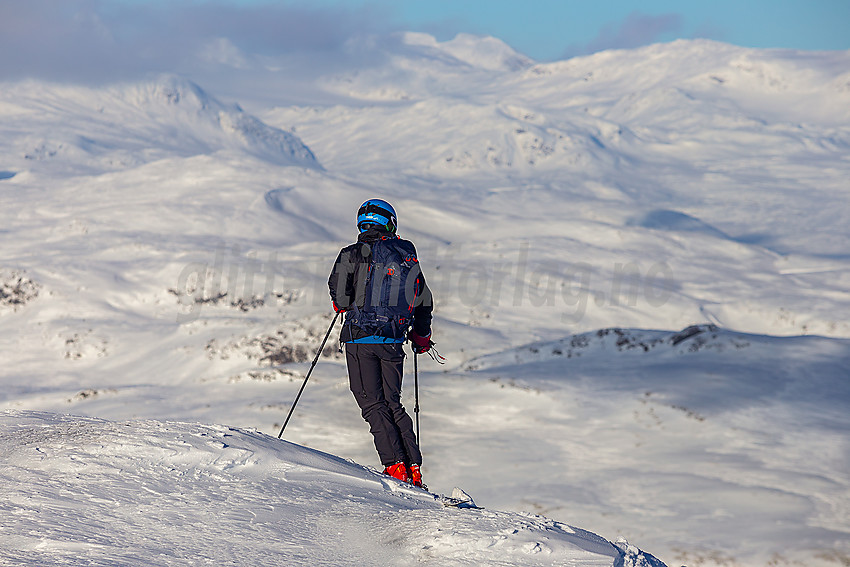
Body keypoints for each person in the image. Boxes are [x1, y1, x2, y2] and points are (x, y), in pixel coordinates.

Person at [328, 199, 433, 488]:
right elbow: (424, 299)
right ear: (390, 223)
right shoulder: (405, 255)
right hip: (393, 341)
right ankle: (413, 468)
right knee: (392, 403)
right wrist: (421, 337)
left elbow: (340, 299)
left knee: (371, 403)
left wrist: (344, 301)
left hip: (360, 339)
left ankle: (395, 467)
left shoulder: (350, 253)